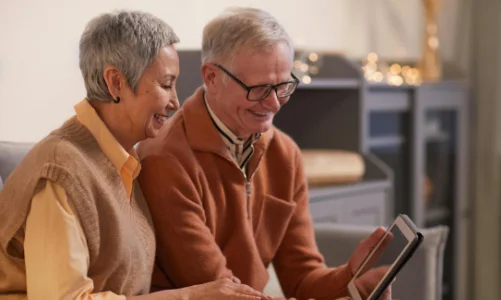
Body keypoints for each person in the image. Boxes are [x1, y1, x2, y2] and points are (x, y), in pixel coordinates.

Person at [0, 10, 271, 300]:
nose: (175, 101)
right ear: (116, 82)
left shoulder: (123, 162)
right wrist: (190, 297)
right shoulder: (61, 172)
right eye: (166, 84)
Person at [136, 7, 391, 300]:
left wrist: (352, 277)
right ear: (212, 77)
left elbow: (303, 278)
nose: (274, 104)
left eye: (283, 86)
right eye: (258, 89)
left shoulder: (285, 154)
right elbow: (222, 291)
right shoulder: (165, 159)